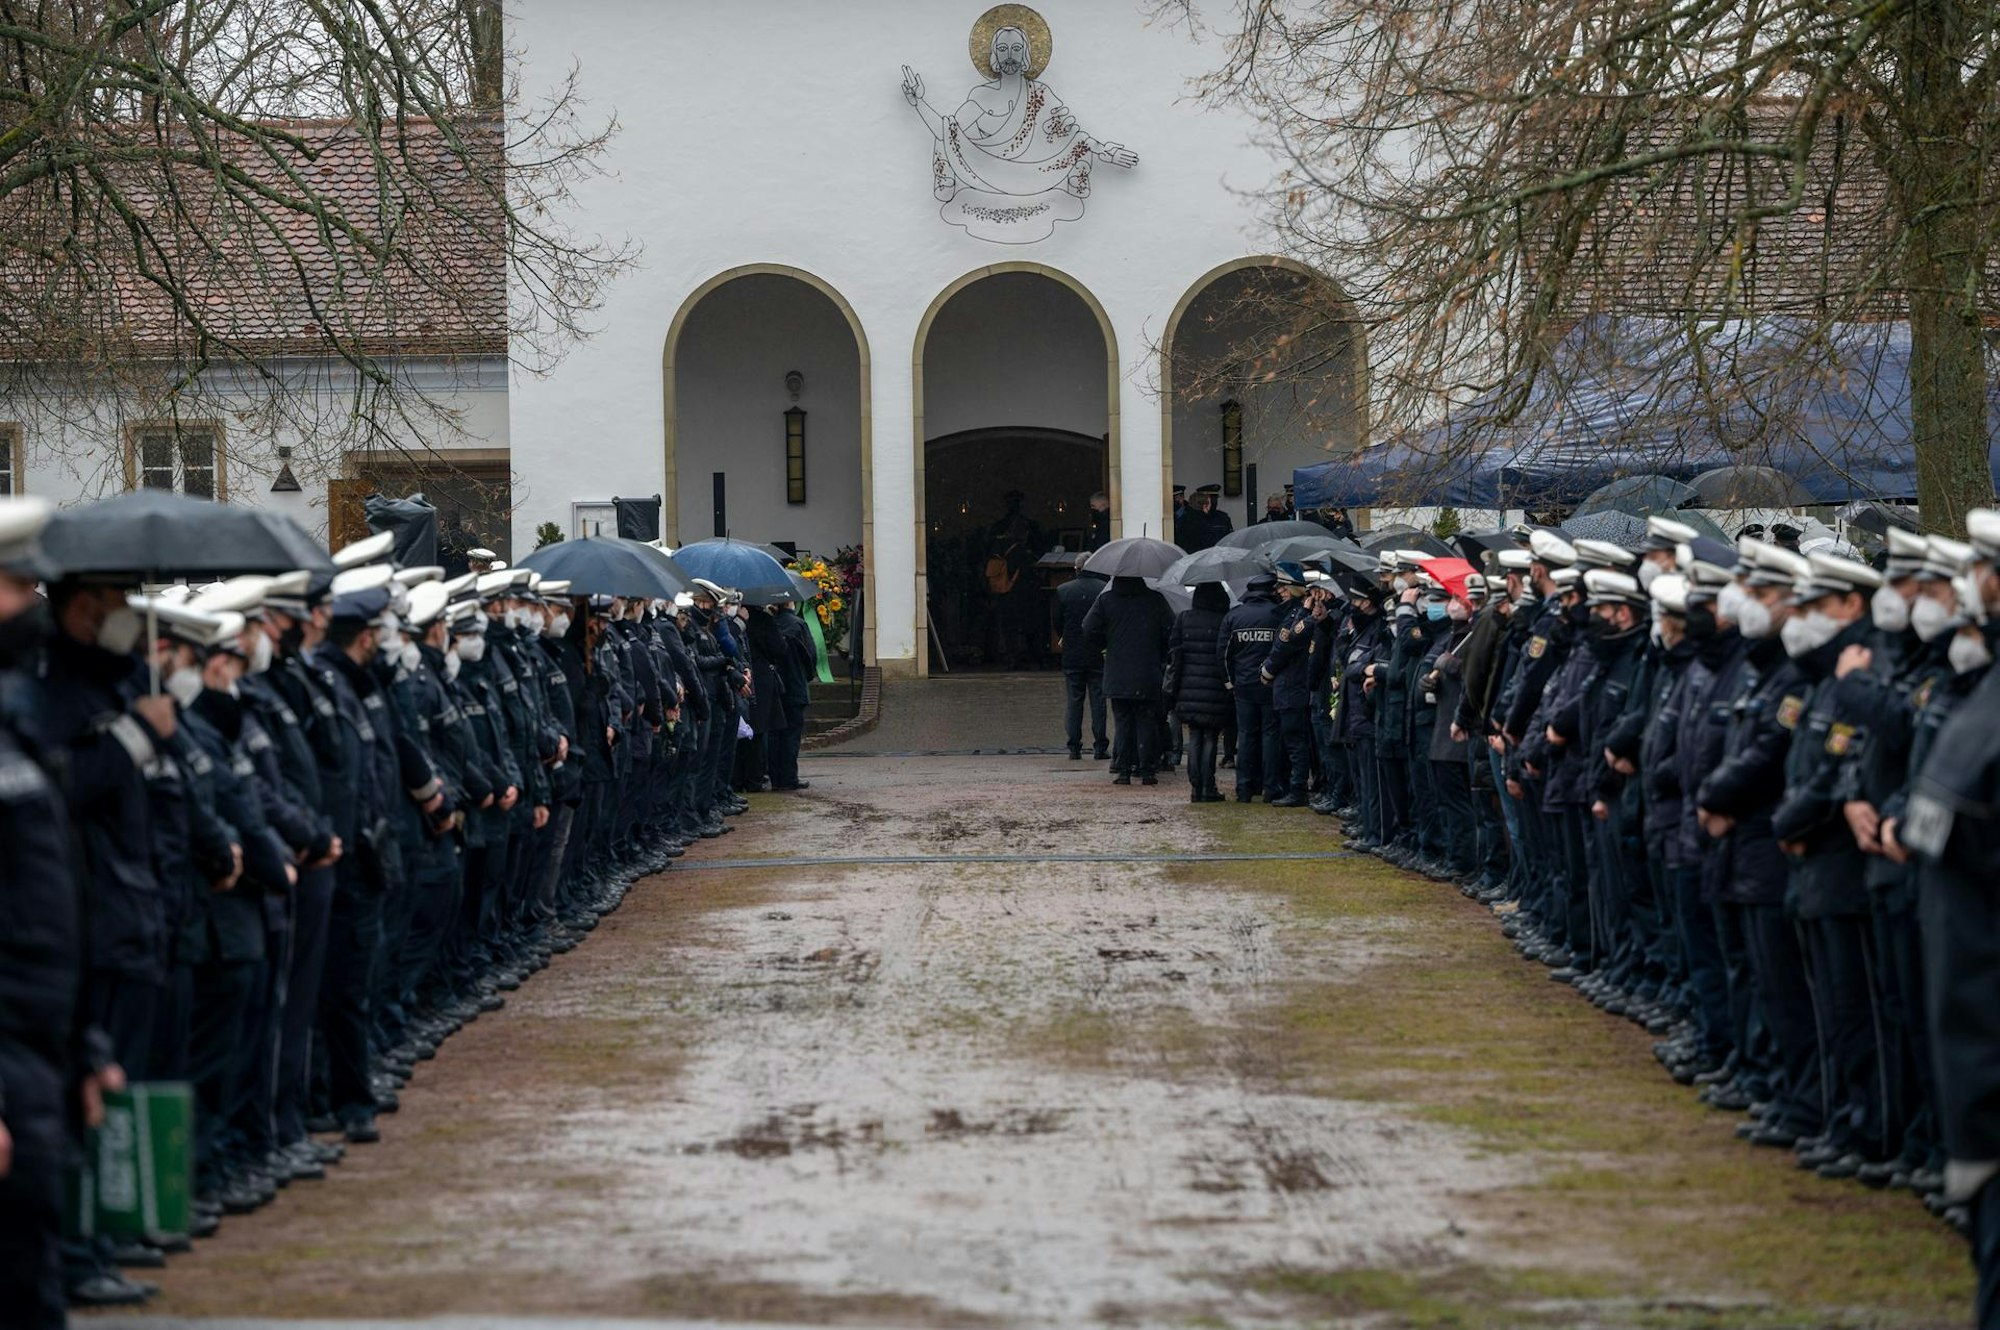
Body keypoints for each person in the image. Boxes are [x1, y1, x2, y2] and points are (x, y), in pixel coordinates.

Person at [1081, 574, 1174, 785]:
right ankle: (1147, 770)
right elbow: (1171, 630)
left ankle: (1123, 770)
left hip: (1118, 672)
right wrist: (1160, 652)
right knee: (1146, 722)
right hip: (1147, 672)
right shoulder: (1155, 600)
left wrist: (1106, 644)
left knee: (1123, 723)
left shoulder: (1106, 600)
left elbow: (1087, 628)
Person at [1219, 571, 1284, 801]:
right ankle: (1271, 787)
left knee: (1246, 737)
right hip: (1271, 685)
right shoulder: (1278, 615)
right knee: (1270, 737)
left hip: (1243, 686)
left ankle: (1244, 788)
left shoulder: (1234, 616)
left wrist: (1230, 683)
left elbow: (1224, 654)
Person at [1165, 581, 1232, 802]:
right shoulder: (1224, 620)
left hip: (1188, 686)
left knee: (1194, 736)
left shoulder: (1184, 618)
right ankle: (1208, 786)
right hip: (1215, 687)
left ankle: (1195, 787)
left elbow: (1173, 652)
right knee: (1211, 737)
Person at [1055, 565, 1110, 760]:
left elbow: (1057, 622)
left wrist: (1066, 637)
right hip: (1096, 653)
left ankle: (1074, 747)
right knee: (1098, 702)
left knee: (1073, 701)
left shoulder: (1063, 590)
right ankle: (1100, 746)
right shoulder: (1104, 589)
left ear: (1076, 569)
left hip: (1072, 654)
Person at [984, 491, 1042, 669]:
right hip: (1022, 588)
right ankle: (1031, 657)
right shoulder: (1029, 533)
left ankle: (1013, 657)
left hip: (1006, 589)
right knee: (1027, 624)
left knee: (1009, 625)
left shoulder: (998, 532)